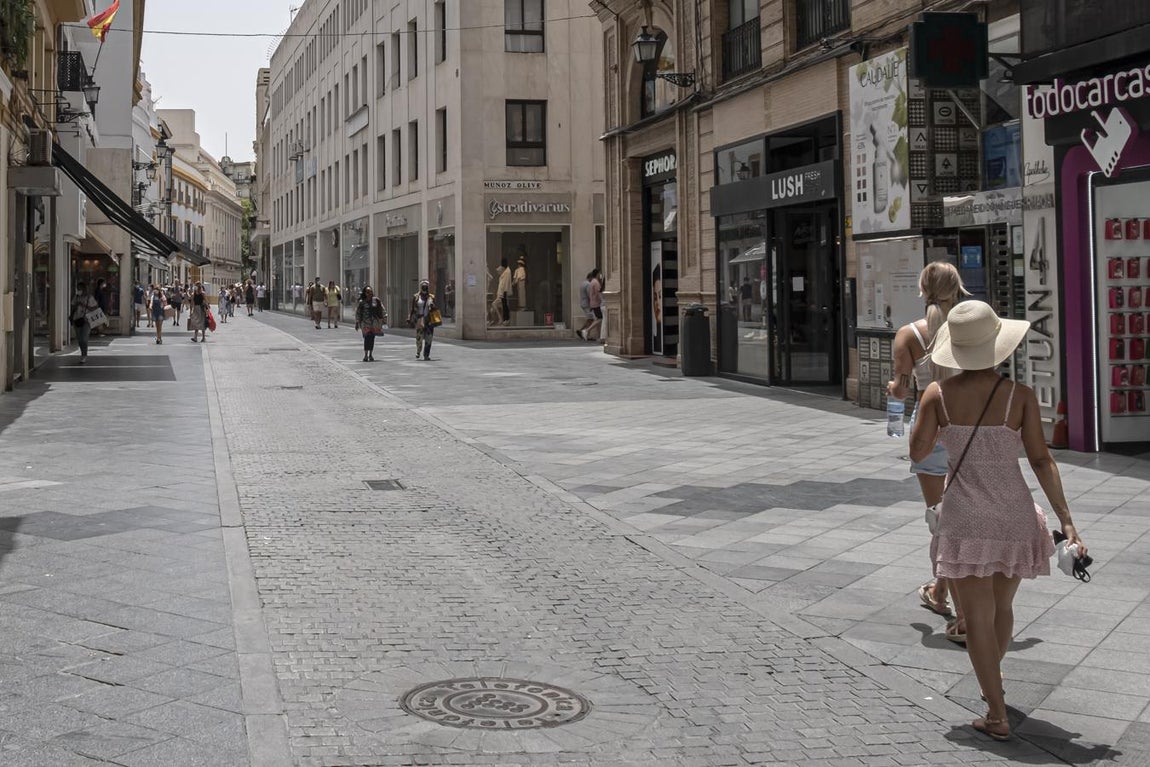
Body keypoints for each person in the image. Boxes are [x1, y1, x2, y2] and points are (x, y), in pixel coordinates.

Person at [909, 300, 1085, 743]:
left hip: (966, 518)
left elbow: (916, 452)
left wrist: (925, 403)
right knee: (1002, 608)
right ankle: (994, 686)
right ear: (998, 347)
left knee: (977, 618)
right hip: (1015, 515)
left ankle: (996, 710)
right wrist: (1067, 519)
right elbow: (1043, 461)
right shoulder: (1019, 396)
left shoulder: (938, 395)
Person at [888, 262, 969, 643]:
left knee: (943, 520)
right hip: (973, 429)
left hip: (932, 430)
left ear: (922, 290)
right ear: (958, 288)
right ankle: (941, 592)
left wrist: (894, 390)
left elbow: (901, 392)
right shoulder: (973, 326)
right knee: (966, 520)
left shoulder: (909, 335)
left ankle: (964, 612)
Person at [355, 287, 387, 362]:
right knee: (367, 337)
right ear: (365, 293)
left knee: (372, 338)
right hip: (365, 323)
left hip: (374, 323)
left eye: (371, 292)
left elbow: (382, 309)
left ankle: (371, 354)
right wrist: (357, 322)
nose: (369, 294)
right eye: (368, 292)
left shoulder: (375, 300)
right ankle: (366, 354)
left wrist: (384, 317)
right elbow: (358, 313)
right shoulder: (362, 302)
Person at [70, 282, 99, 363]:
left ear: (83, 289)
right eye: (77, 288)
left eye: (79, 288)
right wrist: (75, 307)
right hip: (77, 319)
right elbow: (72, 307)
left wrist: (84, 305)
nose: (78, 290)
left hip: (87, 320)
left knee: (84, 339)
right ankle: (82, 353)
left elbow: (95, 308)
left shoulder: (89, 297)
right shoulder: (76, 297)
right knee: (79, 339)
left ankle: (84, 355)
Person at [409, 279, 436, 360]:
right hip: (420, 319)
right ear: (421, 287)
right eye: (423, 286)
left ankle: (426, 355)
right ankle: (418, 350)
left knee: (429, 338)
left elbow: (435, 308)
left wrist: (432, 305)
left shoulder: (431, 297)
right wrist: (410, 317)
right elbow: (412, 309)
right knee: (419, 337)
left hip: (429, 320)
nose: (425, 288)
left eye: (426, 286)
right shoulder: (416, 297)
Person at [577, 271, 595, 340]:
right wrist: (591, 305)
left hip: (583, 303)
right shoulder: (588, 284)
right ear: (590, 277)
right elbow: (589, 295)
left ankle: (582, 331)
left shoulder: (583, 283)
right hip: (587, 304)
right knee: (591, 319)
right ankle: (584, 332)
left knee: (589, 319)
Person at [497, 258, 512, 325]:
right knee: (504, 305)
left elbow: (506, 282)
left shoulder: (507, 272)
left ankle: (507, 319)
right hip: (504, 290)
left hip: (504, 290)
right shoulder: (506, 271)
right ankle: (505, 319)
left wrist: (504, 291)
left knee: (505, 305)